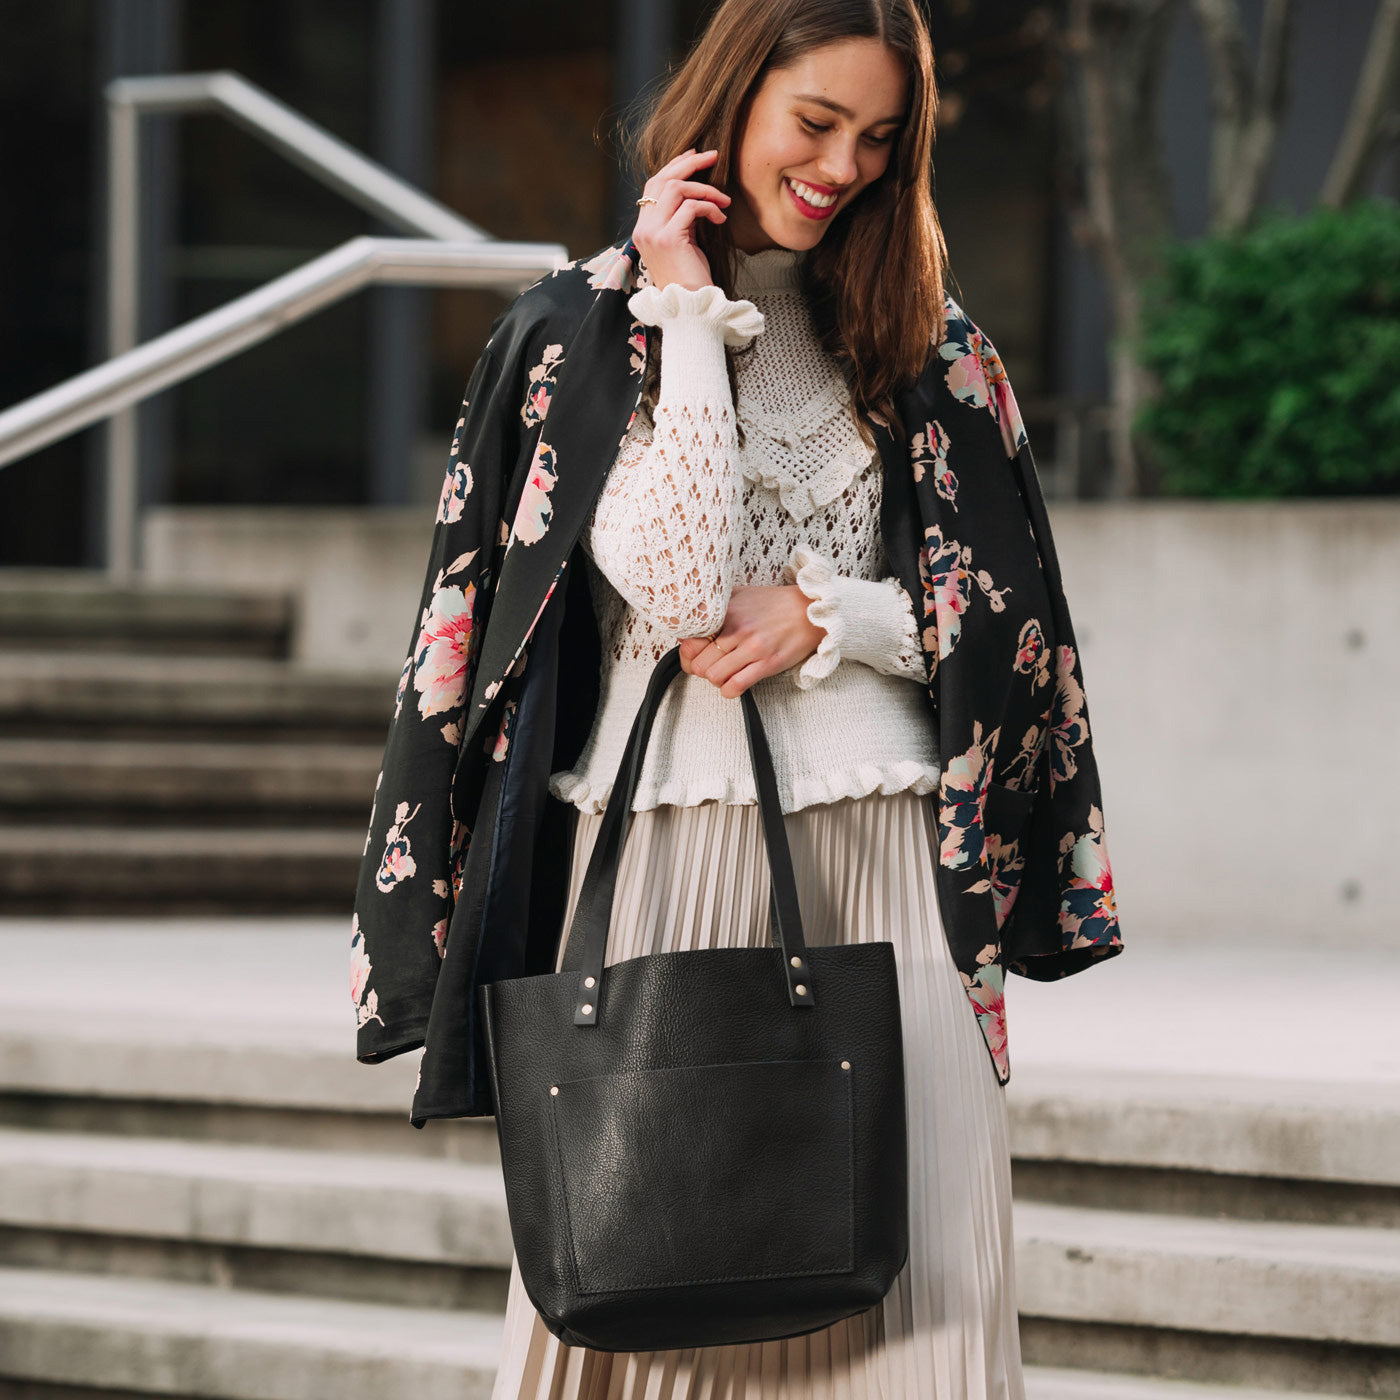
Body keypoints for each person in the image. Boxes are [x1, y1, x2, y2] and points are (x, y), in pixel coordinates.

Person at [351, 1, 1123, 1396]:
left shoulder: (931, 344)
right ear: (731, 101)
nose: (842, 166)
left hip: (892, 862)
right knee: (650, 1284)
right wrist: (684, 302)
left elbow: (1015, 630)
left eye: (879, 139)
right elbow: (684, 577)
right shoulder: (585, 332)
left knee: (930, 1297)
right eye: (815, 122)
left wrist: (839, 614)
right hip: (662, 854)